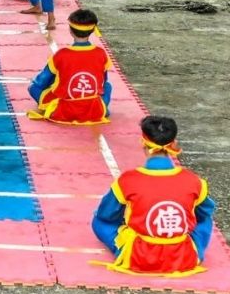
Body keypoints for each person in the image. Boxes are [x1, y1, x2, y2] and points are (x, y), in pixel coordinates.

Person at [91, 115, 215, 277]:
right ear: (173, 144)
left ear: (143, 143)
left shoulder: (128, 180)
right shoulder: (195, 181)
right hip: (183, 257)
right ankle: (195, 251)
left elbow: (106, 214)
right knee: (205, 218)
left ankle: (126, 250)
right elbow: (205, 212)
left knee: (99, 220)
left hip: (139, 256)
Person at [28, 8, 111, 124]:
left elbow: (41, 81)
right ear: (92, 30)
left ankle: (50, 107)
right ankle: (103, 109)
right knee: (108, 86)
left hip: (64, 109)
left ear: (70, 31)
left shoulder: (61, 54)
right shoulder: (101, 53)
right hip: (93, 108)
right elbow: (103, 81)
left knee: (33, 87)